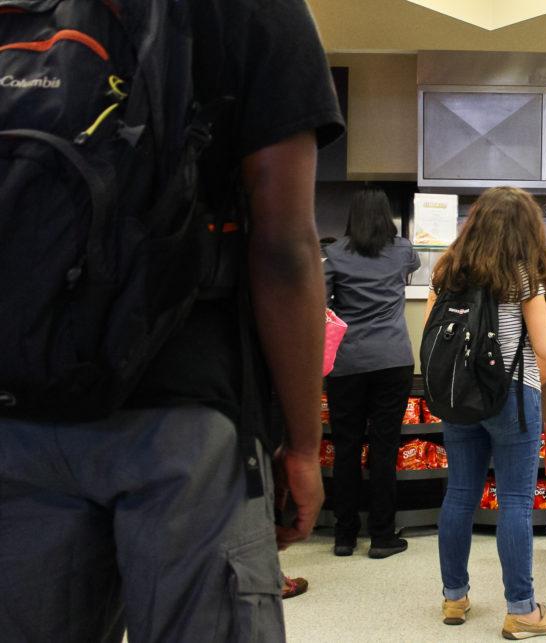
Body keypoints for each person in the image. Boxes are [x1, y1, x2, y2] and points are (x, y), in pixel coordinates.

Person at [0, 3, 343, 641]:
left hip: (19, 406)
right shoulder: (253, 10)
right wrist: (301, 443)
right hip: (186, 416)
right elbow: (285, 247)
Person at [427, 187, 546, 639]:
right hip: (512, 397)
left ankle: (454, 596)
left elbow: (431, 334)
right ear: (526, 228)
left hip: (457, 396)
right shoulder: (522, 277)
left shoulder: (447, 271)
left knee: (460, 494)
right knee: (513, 500)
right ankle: (522, 611)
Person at [323, 189, 421, 558]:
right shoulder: (402, 250)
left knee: (345, 446)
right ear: (386, 217)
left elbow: (322, 304)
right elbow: (411, 272)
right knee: (385, 446)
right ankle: (382, 536)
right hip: (393, 359)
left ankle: (344, 535)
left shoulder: (333, 254)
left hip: (346, 363)